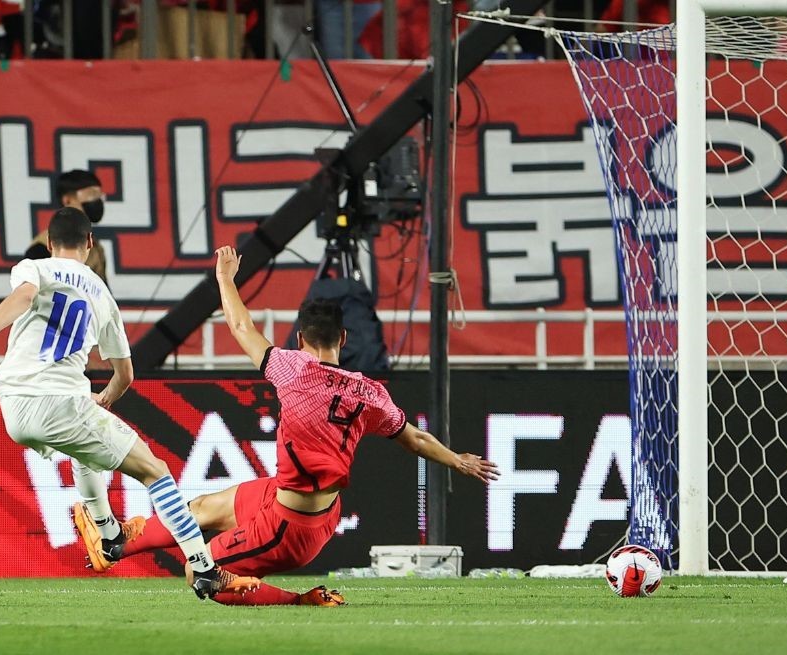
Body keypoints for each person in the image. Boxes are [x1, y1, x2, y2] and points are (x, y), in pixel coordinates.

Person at [72, 244, 501, 607]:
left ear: (300, 339)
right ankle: (115, 546)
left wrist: (225, 277)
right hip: (297, 502)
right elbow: (416, 439)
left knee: (197, 571)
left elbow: (240, 325)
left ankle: (300, 601)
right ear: (344, 341)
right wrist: (457, 460)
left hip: (291, 528)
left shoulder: (291, 369)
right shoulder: (370, 393)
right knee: (200, 509)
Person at [0, 208, 259, 599]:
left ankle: (108, 533)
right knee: (156, 472)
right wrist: (105, 397)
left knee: (85, 446)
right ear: (90, 243)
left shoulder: (35, 267)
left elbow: (23, 296)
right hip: (58, 403)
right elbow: (125, 374)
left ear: (49, 242)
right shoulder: (102, 295)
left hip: (13, 403)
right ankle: (204, 567)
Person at [26, 170, 108, 284]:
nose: (97, 200)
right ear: (67, 200)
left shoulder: (96, 250)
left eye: (99, 195)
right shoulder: (40, 248)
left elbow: (103, 296)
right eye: (91, 195)